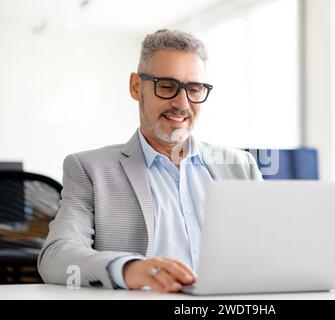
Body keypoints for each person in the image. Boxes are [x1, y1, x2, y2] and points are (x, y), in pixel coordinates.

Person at [37, 29, 263, 292]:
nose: (182, 103)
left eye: (195, 89)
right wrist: (129, 268)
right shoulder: (90, 169)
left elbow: (275, 246)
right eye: (167, 86)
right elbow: (56, 256)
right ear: (136, 86)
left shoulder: (240, 166)